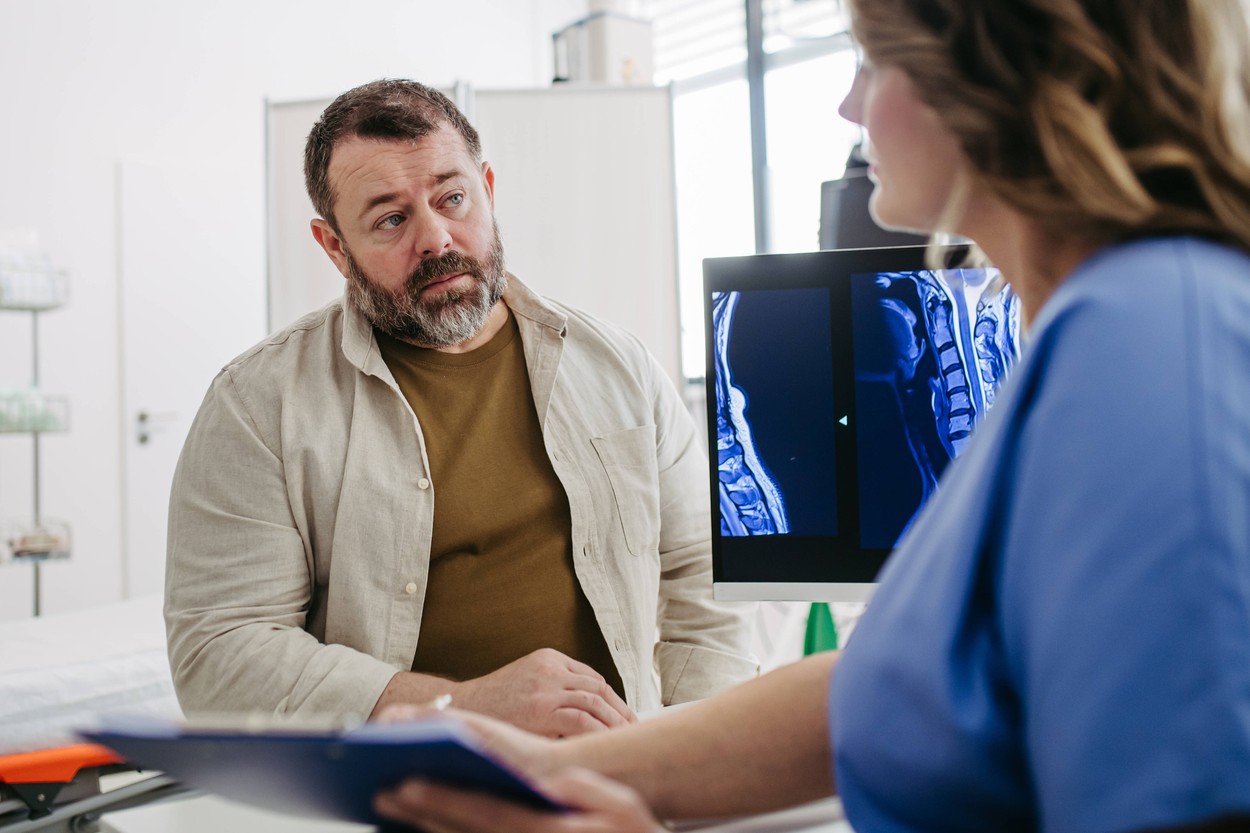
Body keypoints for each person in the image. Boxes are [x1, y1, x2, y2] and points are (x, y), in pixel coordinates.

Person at [373, 0, 1250, 830]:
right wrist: (548, 770)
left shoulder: (1152, 337)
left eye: (873, 59)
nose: (847, 103)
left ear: (996, 70)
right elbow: (877, 693)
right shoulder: (1091, 335)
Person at [163, 80, 757, 738]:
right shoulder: (258, 405)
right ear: (335, 247)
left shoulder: (620, 366)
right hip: (401, 790)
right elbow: (219, 654)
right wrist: (462, 705)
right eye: (391, 218)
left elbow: (704, 571)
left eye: (453, 198)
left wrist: (686, 744)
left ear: (489, 190)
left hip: (617, 776)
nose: (436, 237)